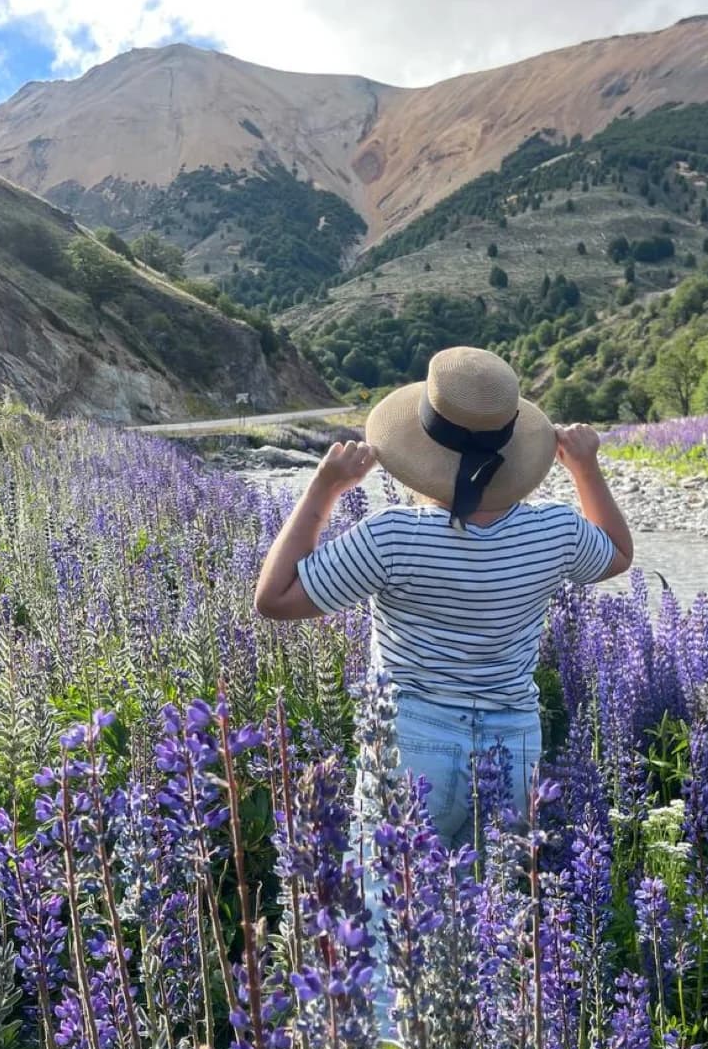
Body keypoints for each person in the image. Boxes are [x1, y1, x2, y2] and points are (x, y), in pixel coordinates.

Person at [254, 346, 633, 842]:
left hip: (413, 745)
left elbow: (275, 598)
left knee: (394, 904)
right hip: (515, 748)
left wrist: (324, 490)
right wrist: (585, 468)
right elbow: (619, 554)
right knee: (492, 908)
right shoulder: (556, 532)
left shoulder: (391, 537)